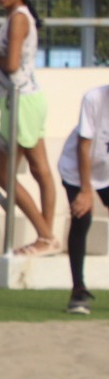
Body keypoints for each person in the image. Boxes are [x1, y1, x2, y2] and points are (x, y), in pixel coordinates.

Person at [0, 0, 58, 257]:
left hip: (21, 101)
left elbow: (11, 65)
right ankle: (47, 238)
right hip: (27, 98)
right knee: (40, 170)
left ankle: (46, 236)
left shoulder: (18, 19)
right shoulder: (18, 17)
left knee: (5, 176)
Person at [57, 81, 109, 314]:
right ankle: (78, 290)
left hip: (106, 172)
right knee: (82, 218)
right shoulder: (94, 99)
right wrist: (86, 191)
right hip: (76, 169)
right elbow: (83, 145)